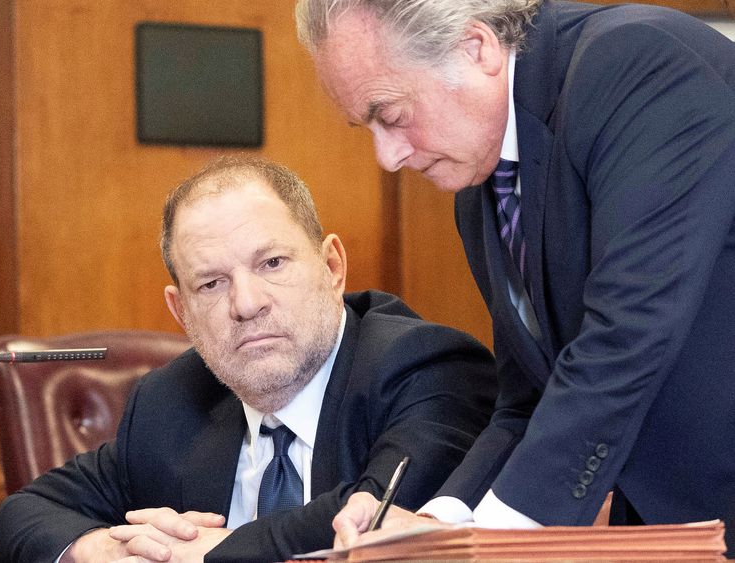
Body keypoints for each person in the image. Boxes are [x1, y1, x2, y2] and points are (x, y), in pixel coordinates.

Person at [295, 0, 735, 555]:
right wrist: (441, 523)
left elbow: (626, 339)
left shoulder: (635, 64)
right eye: (368, 127)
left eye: (393, 115)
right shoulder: (480, 187)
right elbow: (530, 396)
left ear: (475, 48)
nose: (387, 156)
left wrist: (491, 540)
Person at [0, 155, 497, 563]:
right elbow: (24, 513)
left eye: (271, 263)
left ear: (332, 266)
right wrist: (97, 548)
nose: (247, 304)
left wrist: (217, 552)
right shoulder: (170, 404)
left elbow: (375, 515)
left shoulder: (423, 366)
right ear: (180, 310)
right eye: (211, 284)